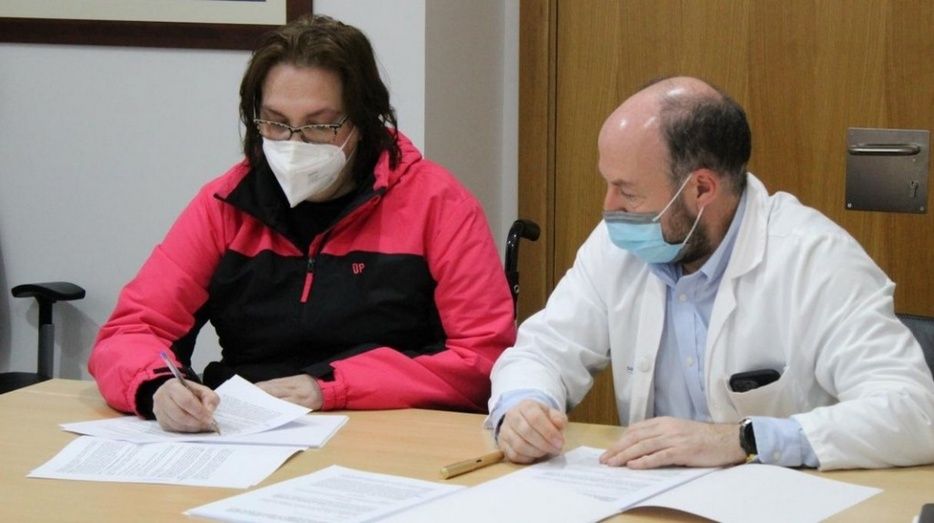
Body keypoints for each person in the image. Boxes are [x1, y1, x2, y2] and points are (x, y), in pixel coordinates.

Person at [89, 14, 516, 432]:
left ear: (363, 120)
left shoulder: (438, 205)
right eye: (275, 123)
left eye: (319, 125)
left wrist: (331, 387)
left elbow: (483, 359)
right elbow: (132, 330)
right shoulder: (225, 205)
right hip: (245, 432)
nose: (293, 144)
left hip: (390, 431)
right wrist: (157, 388)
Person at [488, 76, 934, 470]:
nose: (609, 208)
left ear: (701, 188)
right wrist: (524, 407)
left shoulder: (816, 258)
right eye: (607, 184)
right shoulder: (616, 248)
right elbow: (543, 351)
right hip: (651, 501)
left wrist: (742, 439)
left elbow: (914, 412)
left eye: (628, 192)